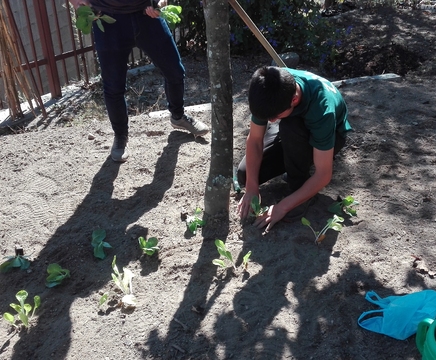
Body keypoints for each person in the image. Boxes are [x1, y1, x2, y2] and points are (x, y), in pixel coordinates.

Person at [68, 0, 209, 162]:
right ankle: (120, 137)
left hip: (147, 16)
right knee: (113, 85)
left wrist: (160, 1)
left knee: (175, 71)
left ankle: (178, 116)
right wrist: (76, 3)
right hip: (108, 21)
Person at [237, 66, 352, 231]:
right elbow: (255, 139)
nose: (271, 120)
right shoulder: (267, 87)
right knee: (245, 174)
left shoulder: (322, 109)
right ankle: (291, 162)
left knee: (290, 126)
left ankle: (298, 185)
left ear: (294, 100)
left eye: (274, 116)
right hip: (288, 127)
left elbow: (323, 175)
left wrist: (282, 207)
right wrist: (251, 187)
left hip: (328, 136)